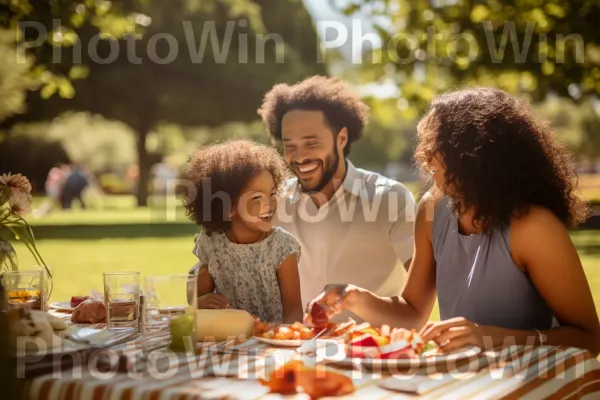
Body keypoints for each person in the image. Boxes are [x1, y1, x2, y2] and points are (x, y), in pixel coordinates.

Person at [306, 88, 600, 356]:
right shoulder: (434, 209)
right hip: (461, 382)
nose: (424, 156)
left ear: (472, 151)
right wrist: (356, 298)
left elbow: (589, 338)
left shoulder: (532, 226)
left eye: (435, 144)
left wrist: (493, 337)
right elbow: (411, 311)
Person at [258, 76, 416, 318]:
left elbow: (421, 298)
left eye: (311, 143)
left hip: (370, 351)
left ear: (341, 139)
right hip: (295, 350)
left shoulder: (391, 199)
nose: (299, 157)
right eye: (290, 145)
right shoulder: (276, 203)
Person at [185, 139, 303, 324]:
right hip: (226, 341)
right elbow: (195, 302)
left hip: (270, 343)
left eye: (272, 193)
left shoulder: (282, 246)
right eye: (256, 197)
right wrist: (200, 303)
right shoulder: (212, 243)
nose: (269, 203)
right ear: (227, 208)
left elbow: (294, 312)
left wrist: (283, 341)